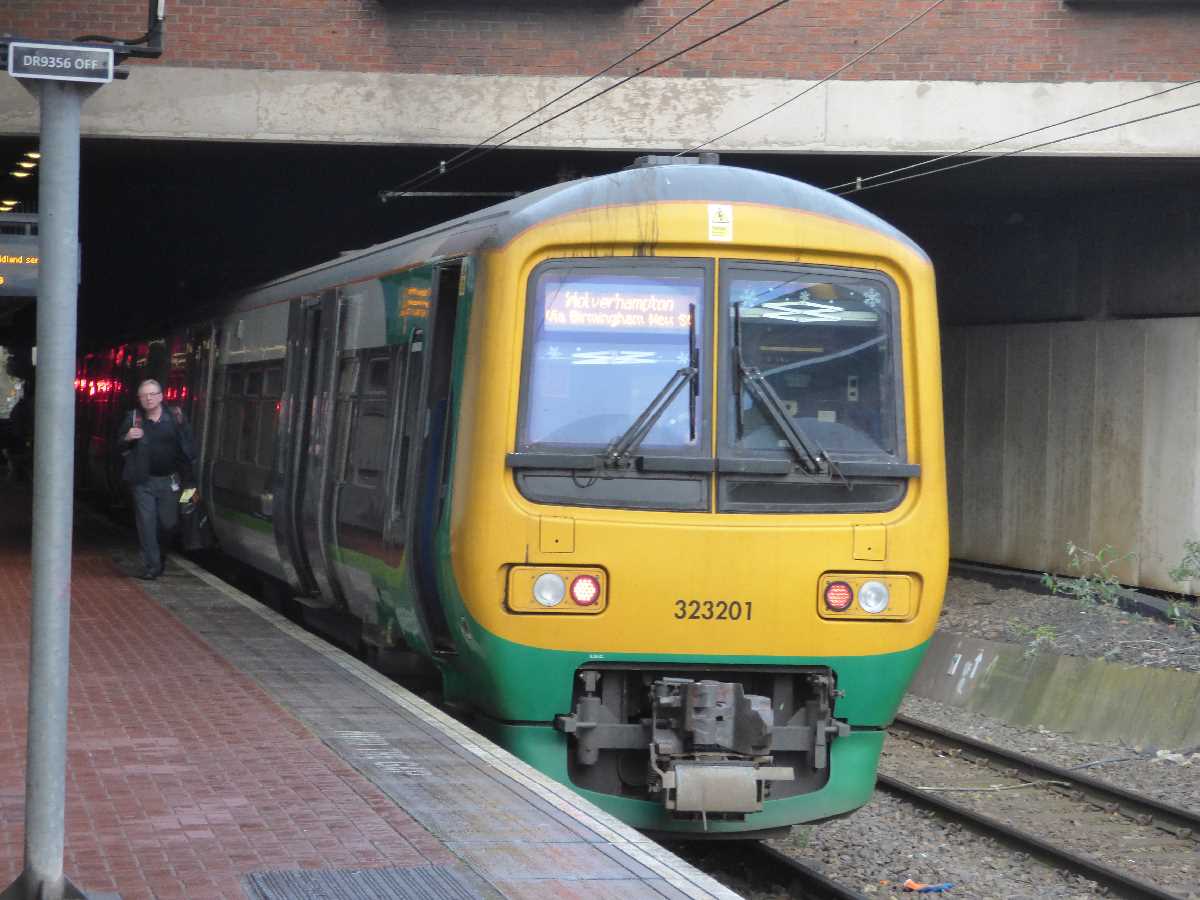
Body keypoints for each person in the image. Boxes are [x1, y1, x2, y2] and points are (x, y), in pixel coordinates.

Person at [119, 379, 196, 580]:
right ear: (139, 399)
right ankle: (151, 566)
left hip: (170, 481)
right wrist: (127, 438)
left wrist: (189, 476)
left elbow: (188, 447)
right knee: (146, 524)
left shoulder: (176, 418)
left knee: (168, 524)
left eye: (152, 394)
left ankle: (160, 556)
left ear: (162, 396)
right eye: (144, 395)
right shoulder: (134, 419)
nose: (148, 398)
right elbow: (118, 447)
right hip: (143, 482)